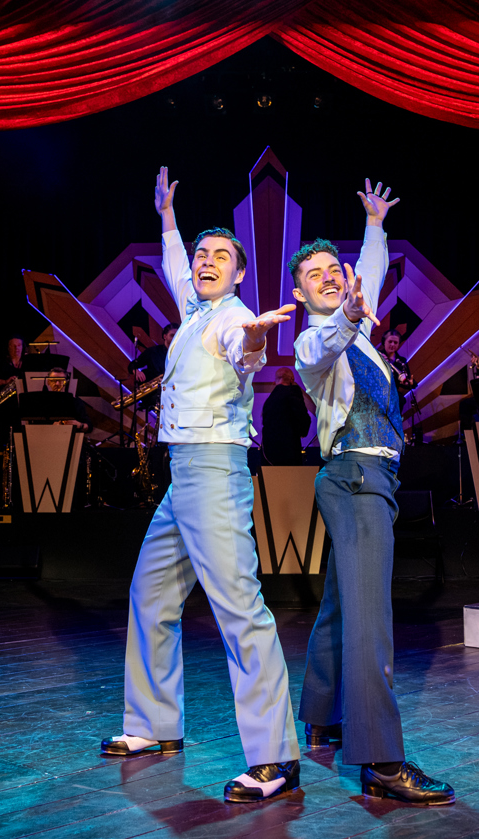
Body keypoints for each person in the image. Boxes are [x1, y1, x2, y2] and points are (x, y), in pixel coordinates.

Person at [100, 167, 302, 805]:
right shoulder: (193, 310)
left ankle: (274, 758)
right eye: (202, 255)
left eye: (221, 256)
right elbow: (174, 269)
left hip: (213, 473)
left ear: (239, 274)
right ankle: (153, 724)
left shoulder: (233, 318)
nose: (206, 262)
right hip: (181, 476)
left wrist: (255, 345)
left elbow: (244, 352)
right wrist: (167, 217)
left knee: (239, 609)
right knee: (150, 594)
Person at [289, 179, 455, 806]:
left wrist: (376, 226)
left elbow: (372, 276)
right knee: (370, 621)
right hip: (356, 476)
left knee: (342, 604)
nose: (328, 279)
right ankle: (382, 761)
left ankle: (321, 715)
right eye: (315, 275)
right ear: (301, 293)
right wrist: (349, 316)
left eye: (335, 270)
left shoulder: (357, 328)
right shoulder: (315, 340)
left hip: (370, 479)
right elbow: (327, 340)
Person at [260, 367, 311, 466]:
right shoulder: (293, 392)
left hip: (268, 451)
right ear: (292, 380)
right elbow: (302, 416)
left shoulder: (269, 400)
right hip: (289, 450)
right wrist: (303, 431)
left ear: (275, 381)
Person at [128, 323, 178, 409]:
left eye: (177, 336)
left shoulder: (181, 355)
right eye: (172, 335)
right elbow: (132, 365)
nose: (175, 338)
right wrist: (136, 371)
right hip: (155, 394)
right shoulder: (153, 351)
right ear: (165, 336)